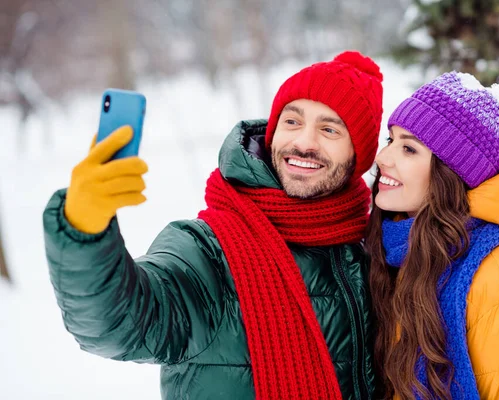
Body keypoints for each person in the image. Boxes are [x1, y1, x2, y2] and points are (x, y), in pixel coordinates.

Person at [43, 51, 384, 399]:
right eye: (292, 121)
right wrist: (82, 230)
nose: (303, 142)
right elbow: (117, 325)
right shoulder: (206, 248)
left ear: (358, 155)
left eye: (329, 129)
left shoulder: (374, 249)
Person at [366, 71, 499, 399]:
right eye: (391, 140)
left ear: (453, 173)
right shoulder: (400, 252)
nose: (382, 158)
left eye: (409, 149)